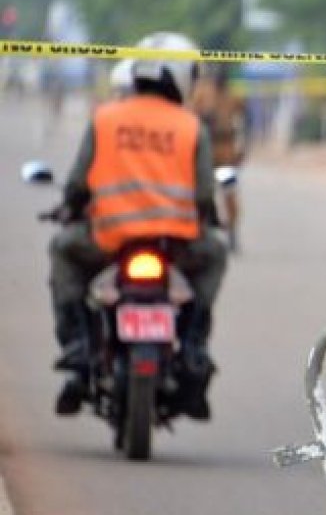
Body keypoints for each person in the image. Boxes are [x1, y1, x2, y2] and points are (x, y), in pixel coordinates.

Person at [48, 32, 228, 419]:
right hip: (174, 243)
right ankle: (194, 342)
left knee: (63, 250)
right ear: (181, 77)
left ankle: (77, 343)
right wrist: (209, 218)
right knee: (216, 252)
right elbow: (202, 194)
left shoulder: (106, 119)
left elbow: (79, 182)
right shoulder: (190, 127)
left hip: (108, 238)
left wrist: (68, 208)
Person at [191, 64, 248, 252]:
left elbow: (246, 120)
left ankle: (232, 232)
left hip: (225, 152)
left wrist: (244, 146)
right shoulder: (202, 93)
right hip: (206, 152)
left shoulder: (233, 96)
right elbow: (191, 117)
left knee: (228, 192)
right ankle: (201, 231)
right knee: (202, 192)